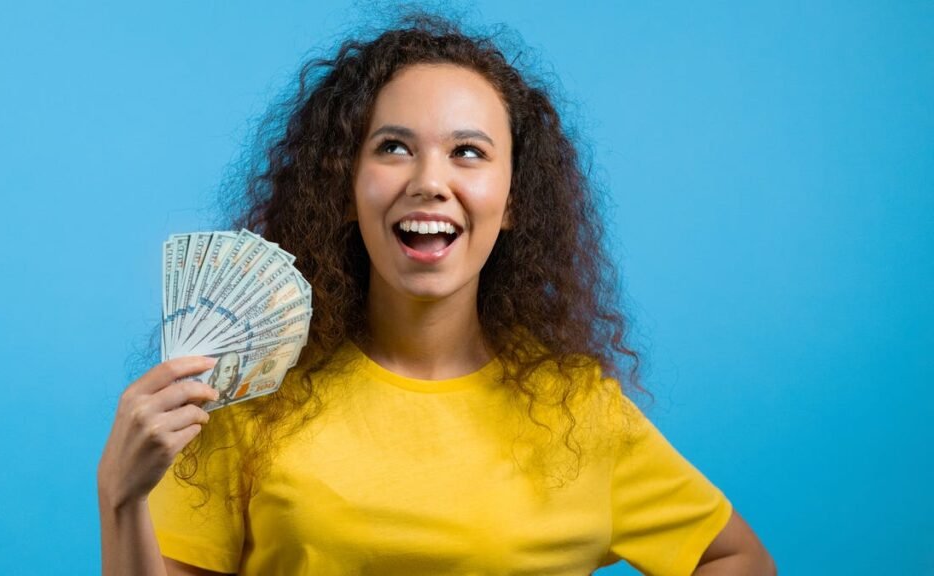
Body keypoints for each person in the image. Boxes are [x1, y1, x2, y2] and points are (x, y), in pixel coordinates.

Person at [97, 13, 775, 576]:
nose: (429, 181)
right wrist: (120, 500)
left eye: (468, 152)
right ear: (345, 185)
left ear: (514, 199)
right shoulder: (250, 394)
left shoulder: (578, 411)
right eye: (394, 147)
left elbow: (737, 559)